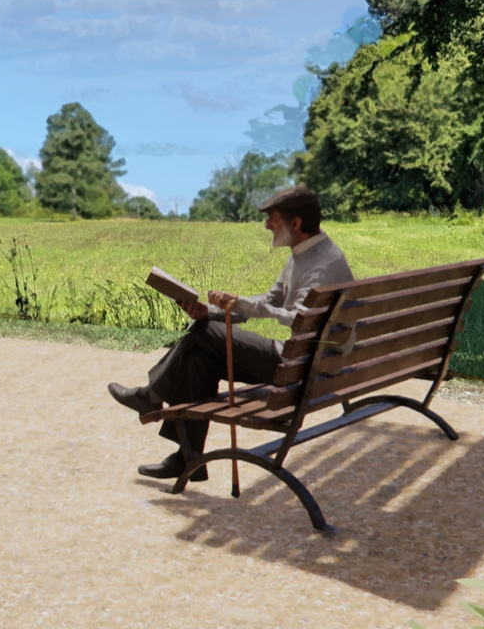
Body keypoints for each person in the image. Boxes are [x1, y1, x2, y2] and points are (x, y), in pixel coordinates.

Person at [107, 184, 351, 482]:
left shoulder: (322, 264)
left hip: (299, 367)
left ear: (296, 223)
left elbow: (298, 320)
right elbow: (269, 301)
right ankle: (188, 459)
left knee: (205, 333)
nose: (266, 226)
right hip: (307, 363)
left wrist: (240, 307)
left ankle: (150, 396)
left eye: (272, 219)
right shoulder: (304, 254)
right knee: (200, 354)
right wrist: (212, 311)